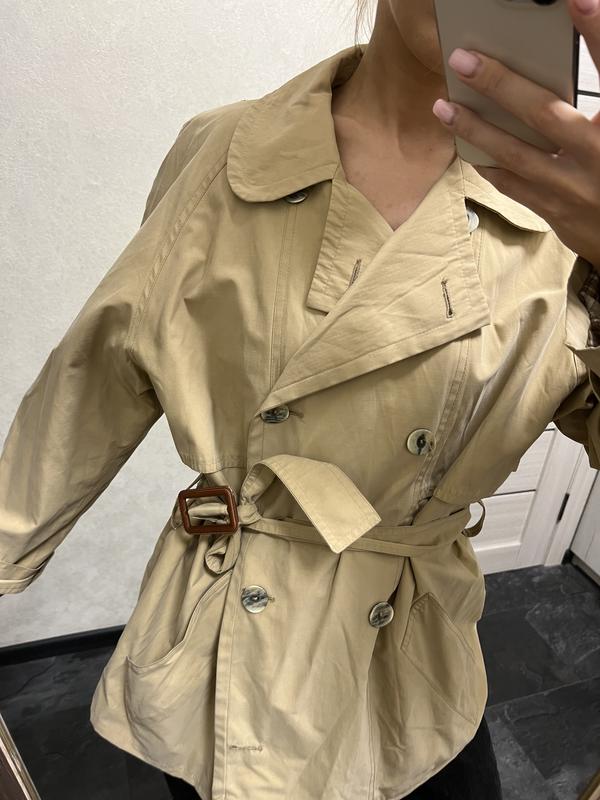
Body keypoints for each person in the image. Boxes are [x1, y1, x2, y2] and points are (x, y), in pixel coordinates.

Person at [2, 1, 600, 798]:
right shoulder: (226, 148)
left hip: (407, 651)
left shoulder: (572, 203)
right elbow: (98, 371)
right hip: (228, 640)